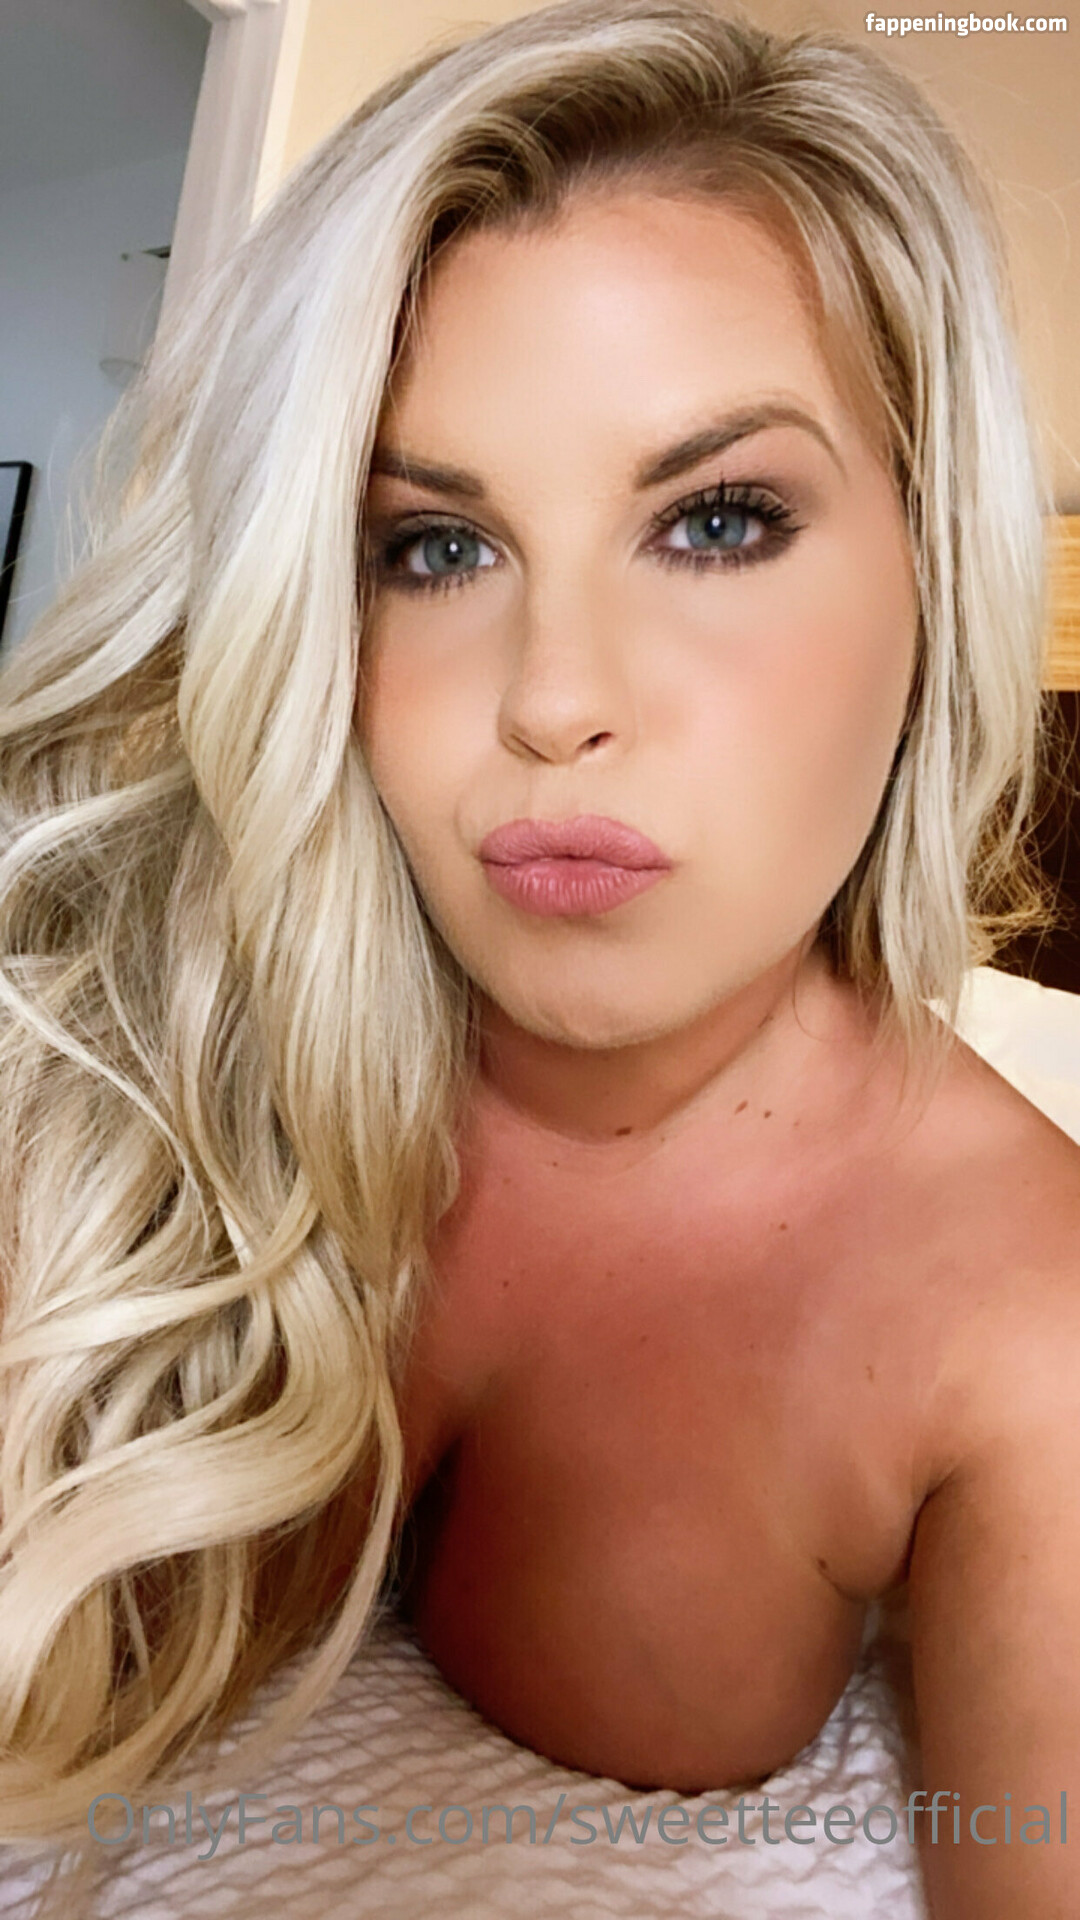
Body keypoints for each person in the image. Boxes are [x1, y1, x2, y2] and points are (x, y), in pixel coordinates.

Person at [0, 3, 1076, 1916]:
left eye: (718, 521)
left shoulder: (1019, 1318)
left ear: (936, 568)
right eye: (433, 548)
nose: (555, 698)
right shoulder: (127, 1021)